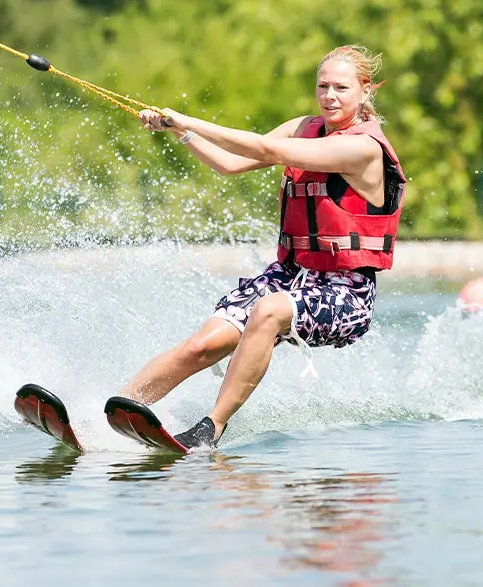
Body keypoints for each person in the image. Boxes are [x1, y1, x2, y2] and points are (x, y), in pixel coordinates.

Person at [119, 45, 406, 450]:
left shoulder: (361, 148)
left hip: (345, 291)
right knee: (205, 344)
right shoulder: (304, 127)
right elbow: (229, 163)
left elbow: (267, 150)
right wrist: (180, 132)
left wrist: (187, 117)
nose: (330, 96)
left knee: (269, 309)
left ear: (365, 90)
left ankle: (209, 430)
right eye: (322, 86)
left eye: (341, 87)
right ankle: (119, 409)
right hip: (291, 274)